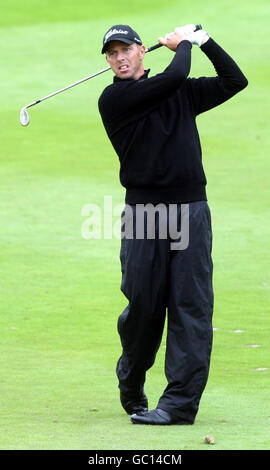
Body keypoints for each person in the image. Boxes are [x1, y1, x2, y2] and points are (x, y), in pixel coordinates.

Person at [98, 24, 248, 425]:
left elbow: (235, 80)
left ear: (141, 51)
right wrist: (183, 45)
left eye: (125, 49)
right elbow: (176, 74)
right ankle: (131, 376)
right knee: (144, 306)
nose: (119, 58)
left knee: (191, 307)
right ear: (109, 62)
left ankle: (179, 405)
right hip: (144, 215)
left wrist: (206, 41)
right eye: (112, 54)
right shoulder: (114, 98)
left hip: (190, 211)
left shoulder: (178, 92)